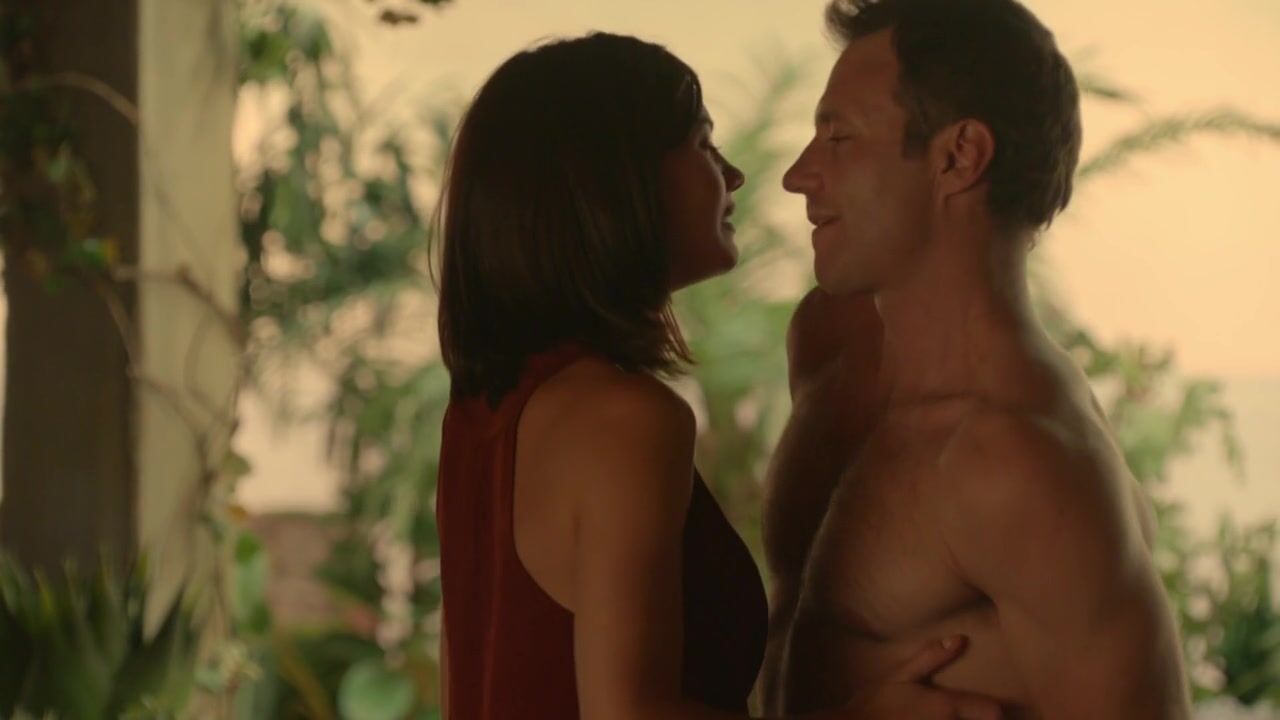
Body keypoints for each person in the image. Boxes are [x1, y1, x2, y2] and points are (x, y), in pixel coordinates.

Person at [434, 31, 1001, 720]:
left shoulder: (488, 413)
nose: (732, 176)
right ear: (618, 182)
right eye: (703, 144)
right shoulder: (623, 419)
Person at [761, 1, 1192, 718]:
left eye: (839, 138)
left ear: (959, 157)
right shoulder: (830, 342)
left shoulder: (1023, 466)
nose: (799, 176)